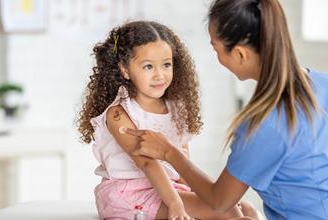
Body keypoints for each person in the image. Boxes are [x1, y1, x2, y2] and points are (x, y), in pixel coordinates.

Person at [122, 0, 328, 219]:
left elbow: (220, 200)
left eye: (216, 48)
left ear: (240, 54)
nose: (217, 57)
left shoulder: (264, 121)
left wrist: (168, 152)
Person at [77, 21, 259, 219]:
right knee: (228, 212)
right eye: (148, 66)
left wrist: (202, 196)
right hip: (129, 193)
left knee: (243, 209)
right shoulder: (120, 114)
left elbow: (183, 164)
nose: (160, 75)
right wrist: (176, 203)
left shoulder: (176, 109)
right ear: (125, 70)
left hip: (168, 188)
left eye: (166, 64)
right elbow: (147, 164)